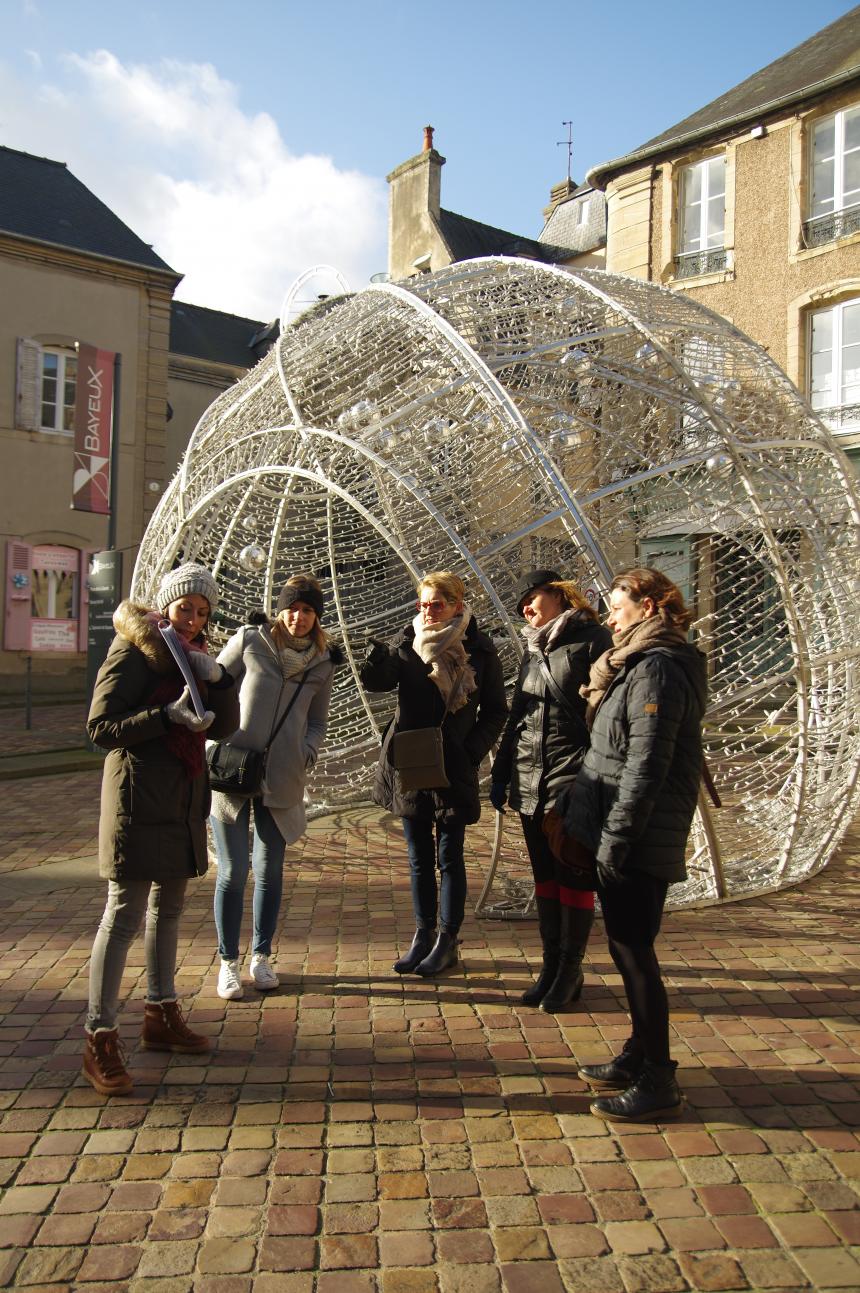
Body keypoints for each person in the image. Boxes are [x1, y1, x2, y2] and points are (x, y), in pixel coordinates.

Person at [84, 563, 239, 1095]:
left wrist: (218, 680)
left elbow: (227, 726)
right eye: (184, 608)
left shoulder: (195, 658)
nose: (193, 619)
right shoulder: (132, 650)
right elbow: (100, 728)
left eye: (202, 611)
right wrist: (164, 717)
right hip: (137, 799)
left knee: (168, 909)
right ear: (165, 606)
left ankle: (160, 1011)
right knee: (123, 914)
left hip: (182, 797)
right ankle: (99, 1035)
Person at [559, 567, 707, 1122]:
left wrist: (617, 837)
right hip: (623, 829)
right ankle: (639, 1053)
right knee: (627, 949)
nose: (610, 613)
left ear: (647, 607)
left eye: (618, 604)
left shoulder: (659, 670)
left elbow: (646, 765)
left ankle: (657, 1079)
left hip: (637, 835)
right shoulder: (638, 662)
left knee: (635, 953)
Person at [361, 572, 507, 976]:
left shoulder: (478, 647)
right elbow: (379, 682)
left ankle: (447, 939)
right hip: (410, 761)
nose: (428, 611)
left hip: (453, 766)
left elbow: (496, 709)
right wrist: (374, 659)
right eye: (423, 603)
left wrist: (471, 752)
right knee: (418, 858)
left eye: (437, 604)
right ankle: (422, 934)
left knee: (449, 856)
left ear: (458, 605)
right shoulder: (408, 641)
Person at [210, 574, 340, 1000]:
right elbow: (211, 685)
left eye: (307, 610)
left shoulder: (322, 662)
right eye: (292, 608)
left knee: (269, 871)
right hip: (233, 769)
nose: (298, 617)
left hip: (283, 775)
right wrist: (213, 741)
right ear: (279, 608)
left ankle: (261, 956)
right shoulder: (251, 640)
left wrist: (306, 751)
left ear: (316, 616)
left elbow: (318, 720)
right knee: (233, 872)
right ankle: (228, 962)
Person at [490, 570, 612, 1012]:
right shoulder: (533, 649)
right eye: (520, 602)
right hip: (529, 778)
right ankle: (550, 965)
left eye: (531, 597)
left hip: (572, 776)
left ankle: (570, 969)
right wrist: (502, 773)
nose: (525, 607)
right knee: (544, 876)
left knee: (573, 871)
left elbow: (607, 714)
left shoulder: (595, 639)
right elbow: (518, 717)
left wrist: (592, 773)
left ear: (559, 595)